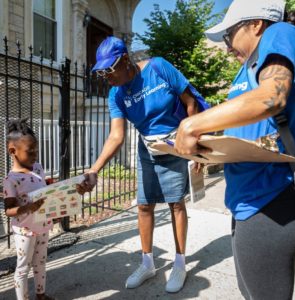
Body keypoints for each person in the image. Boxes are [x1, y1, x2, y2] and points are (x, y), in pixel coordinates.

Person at [174, 0, 295, 299]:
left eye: (229, 35)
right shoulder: (250, 66)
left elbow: (273, 97)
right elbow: (253, 125)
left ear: (256, 24)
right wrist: (209, 151)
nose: (228, 47)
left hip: (270, 198)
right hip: (247, 199)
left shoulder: (279, 32)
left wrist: (192, 126)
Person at [76, 36, 203, 293]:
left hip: (177, 145)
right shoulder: (116, 94)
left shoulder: (159, 68)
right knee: (144, 205)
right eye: (101, 72)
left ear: (125, 60)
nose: (106, 77)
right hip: (148, 149)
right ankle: (147, 264)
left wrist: (195, 148)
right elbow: (116, 136)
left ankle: (180, 264)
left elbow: (191, 104)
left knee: (176, 203)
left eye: (109, 69)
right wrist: (94, 170)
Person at [3, 119, 54, 300]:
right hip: (25, 230)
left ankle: (41, 295)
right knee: (23, 267)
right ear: (12, 151)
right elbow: (8, 210)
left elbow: (41, 188)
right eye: (30, 151)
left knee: (40, 263)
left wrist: (51, 187)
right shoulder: (11, 180)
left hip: (43, 224)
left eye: (36, 151)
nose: (34, 155)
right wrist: (27, 208)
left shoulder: (38, 168)